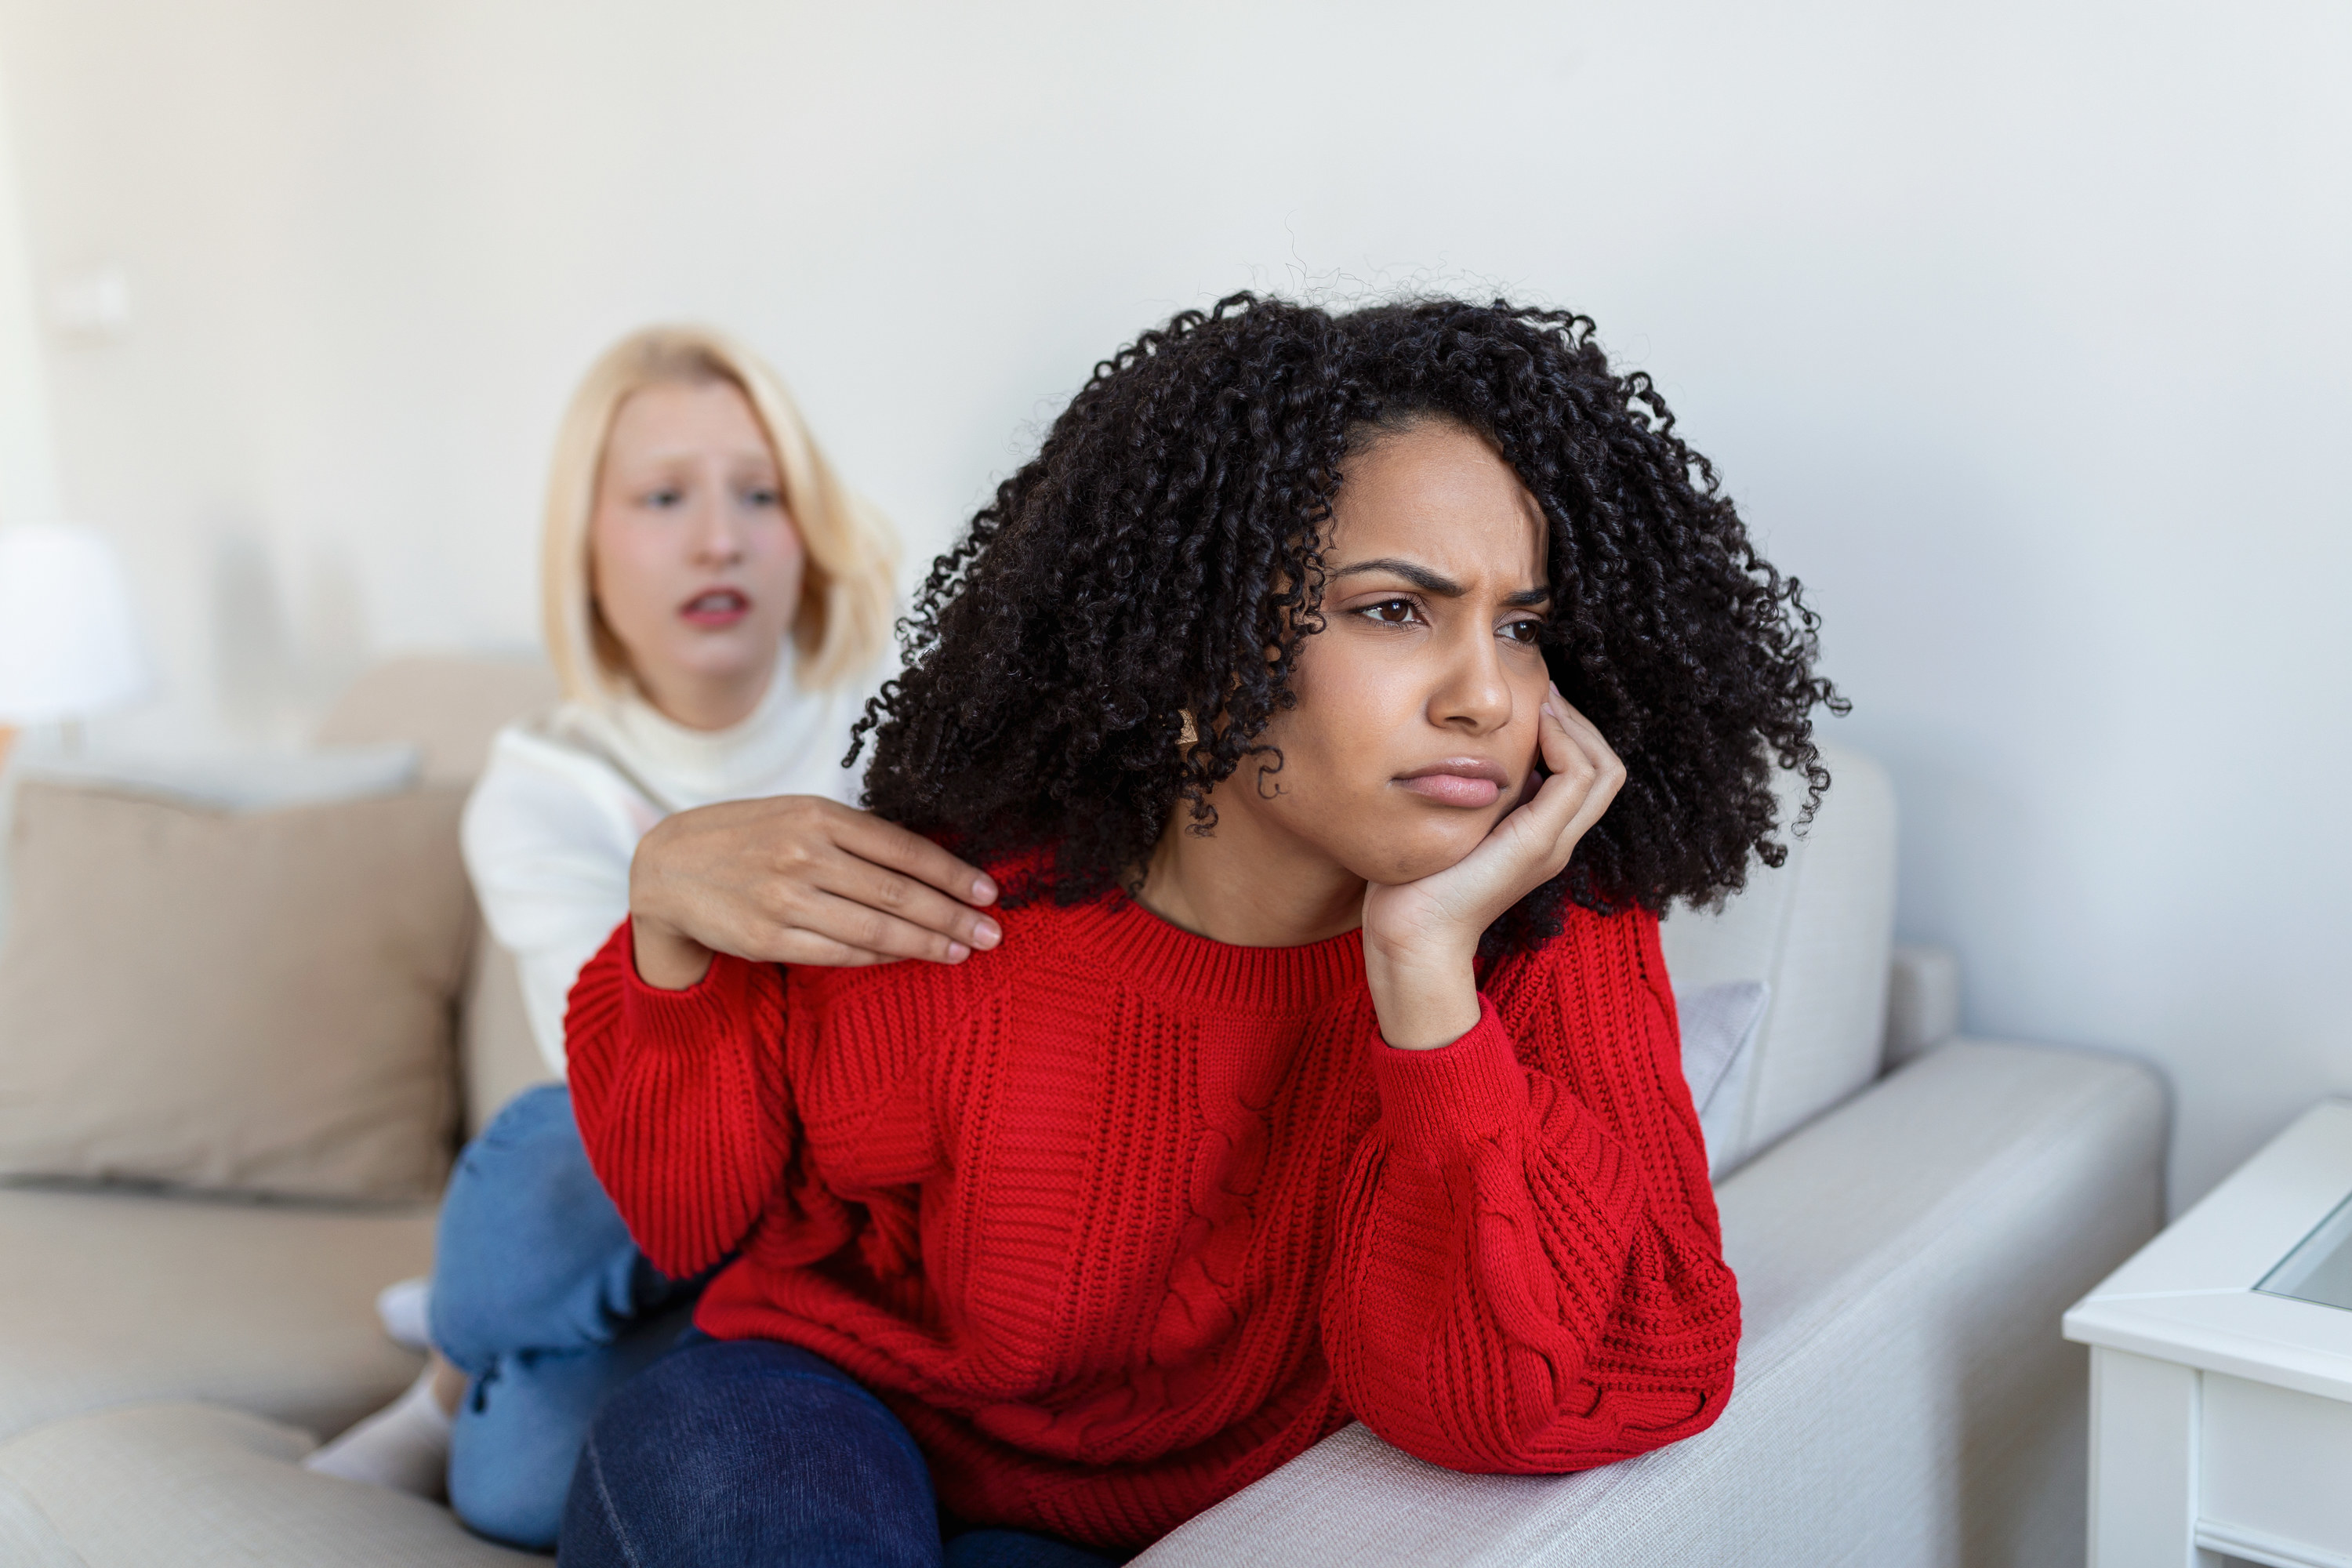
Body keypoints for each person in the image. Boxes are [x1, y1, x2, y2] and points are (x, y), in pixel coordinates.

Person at [557, 296, 1845, 1567]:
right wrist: (666, 920)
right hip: (801, 1422)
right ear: (1197, 648)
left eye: (1521, 625)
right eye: (1397, 610)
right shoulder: (964, 895)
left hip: (1123, 1526)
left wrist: (1425, 982)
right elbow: (689, 1225)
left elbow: (1570, 1397)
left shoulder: (1550, 943)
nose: (1488, 696)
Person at [304, 325, 1006, 1550]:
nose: (718, 538)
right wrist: (673, 902)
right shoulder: (543, 786)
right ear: (588, 545)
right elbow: (625, 1087)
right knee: (548, 1172)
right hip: (662, 1181)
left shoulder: (905, 711)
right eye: (663, 497)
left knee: (524, 1459)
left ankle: (469, 1341)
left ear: (808, 529)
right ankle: (460, 1371)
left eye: (759, 493)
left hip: (863, 1194)